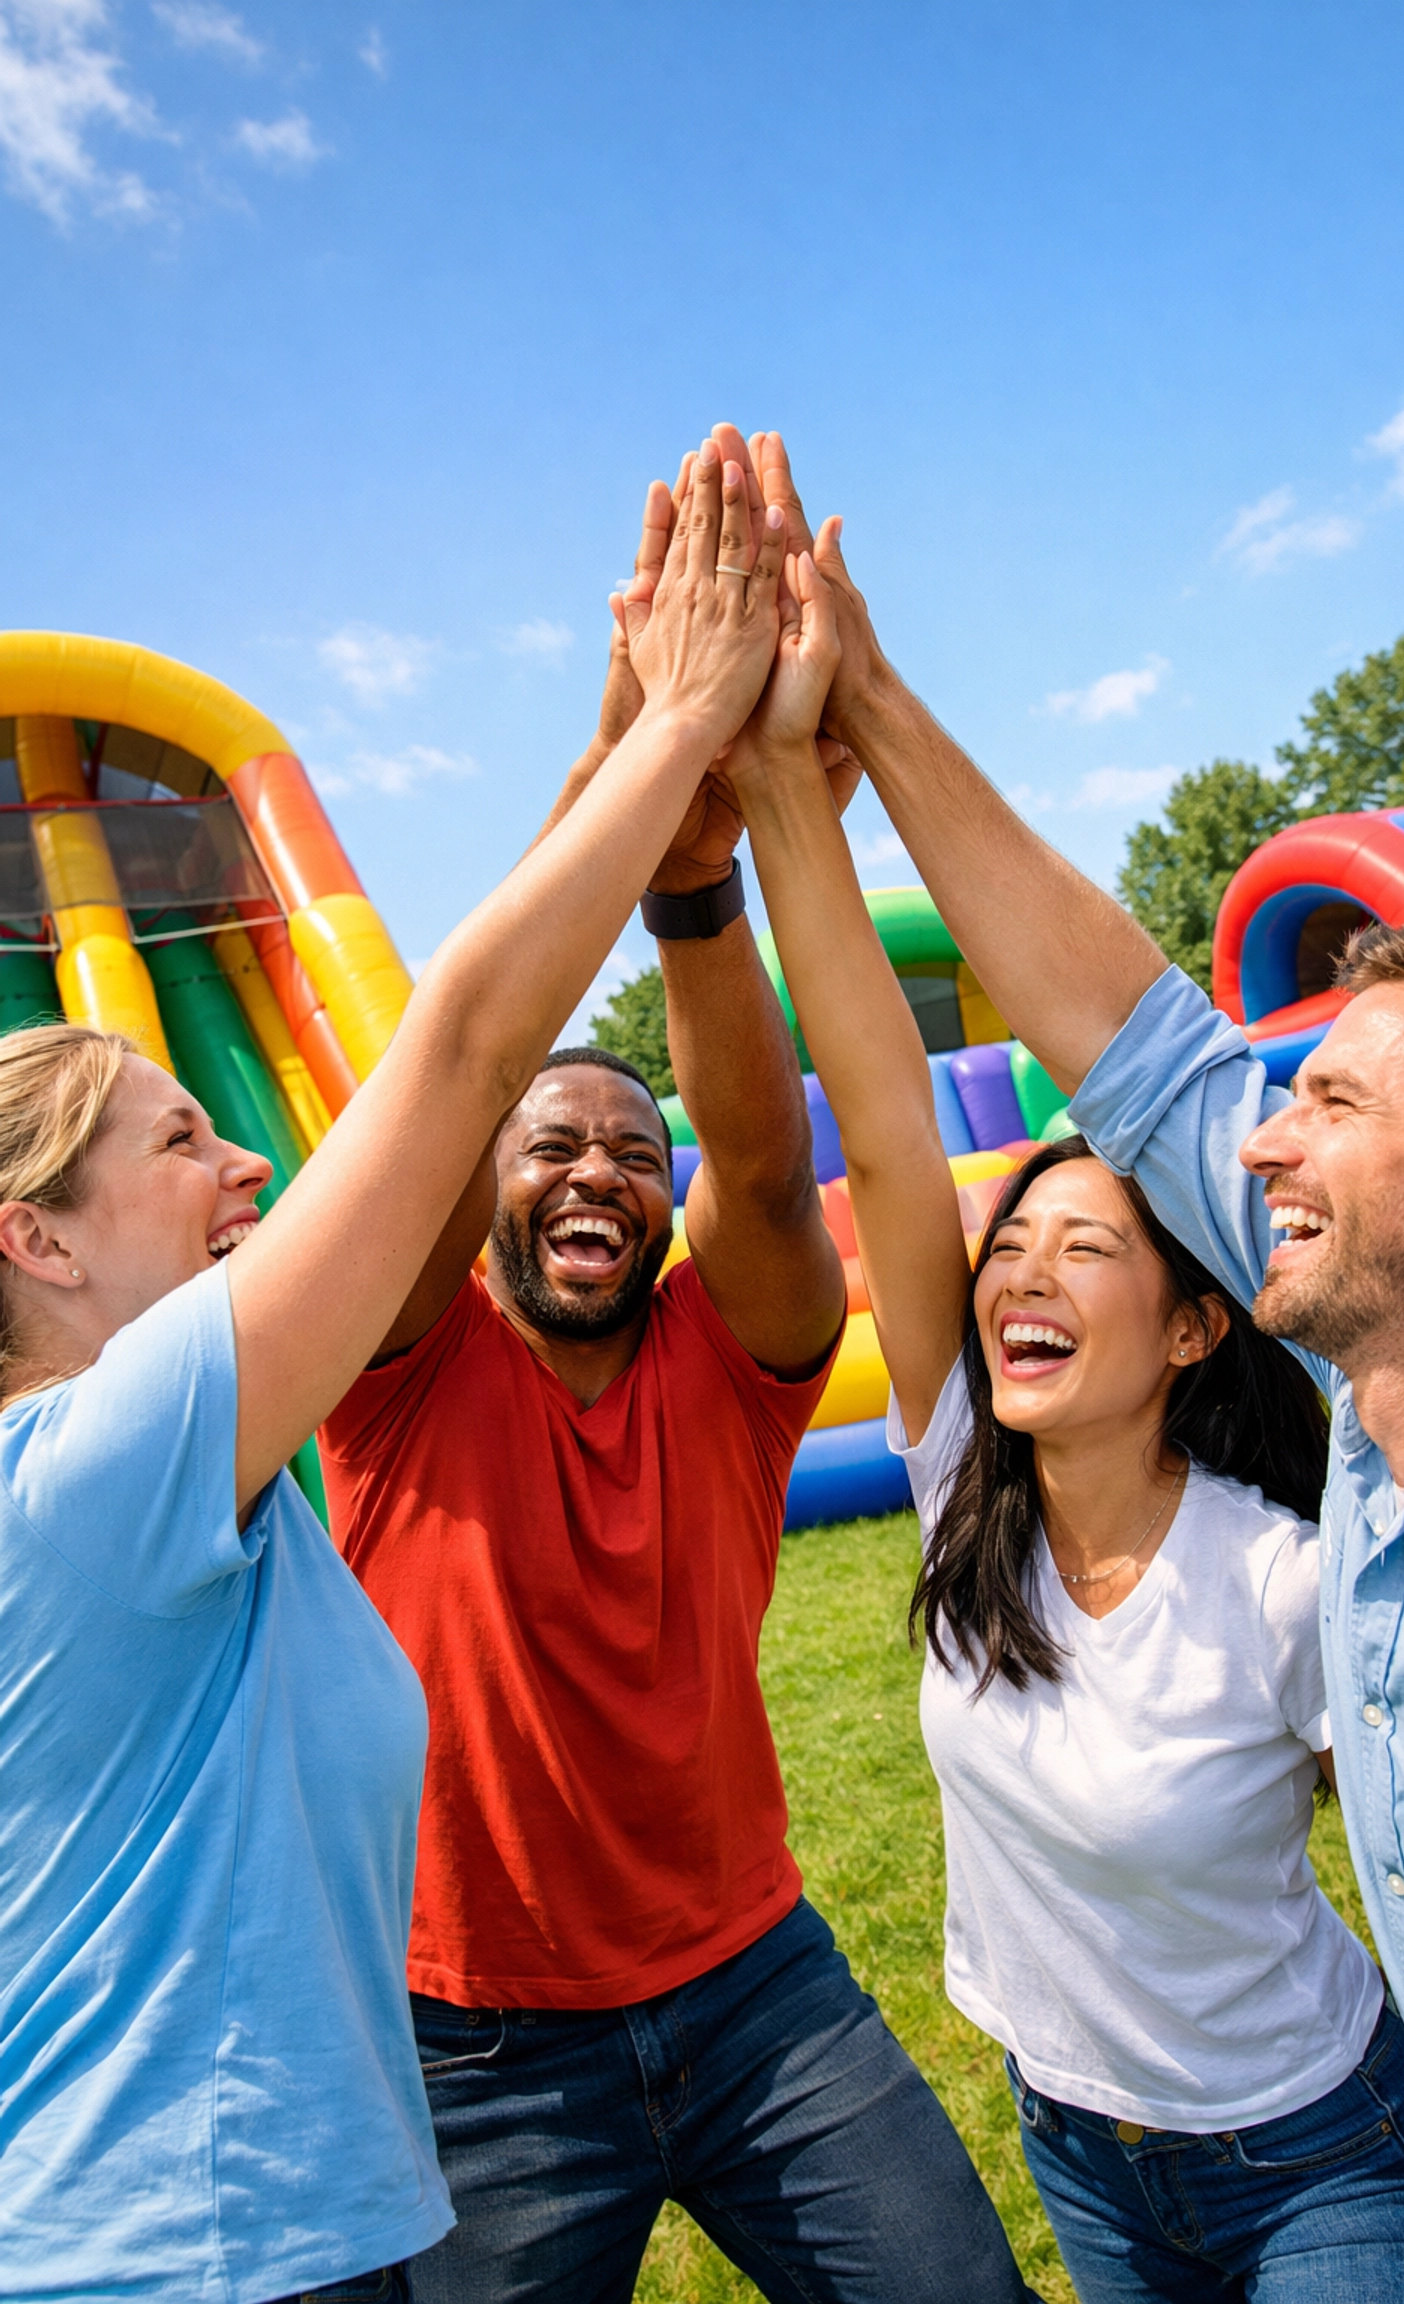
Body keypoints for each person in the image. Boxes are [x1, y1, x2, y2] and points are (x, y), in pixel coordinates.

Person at [0, 444, 804, 2302]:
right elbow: (449, 1074)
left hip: (271, 2235)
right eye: (184, 1138)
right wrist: (672, 730)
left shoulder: (207, 1481)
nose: (250, 1168)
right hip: (174, 2261)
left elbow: (460, 1097)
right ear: (38, 1242)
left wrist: (629, 769)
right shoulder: (106, 1469)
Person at [749, 432, 1404, 2304]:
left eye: (1331, 1098)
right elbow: (1134, 1046)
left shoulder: (1282, 1570)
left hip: (1327, 2159)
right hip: (1107, 2153)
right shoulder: (1361, 1455)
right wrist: (830, 721)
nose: (1265, 1141)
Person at [318, 437, 1033, 2304]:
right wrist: (620, 776)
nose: (593, 1173)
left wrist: (698, 890)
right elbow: (460, 1069)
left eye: (633, 1155)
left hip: (756, 1996)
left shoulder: (732, 1363)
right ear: (484, 1192)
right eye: (552, 1146)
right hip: (476, 2051)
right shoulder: (391, 1363)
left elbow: (772, 1164)